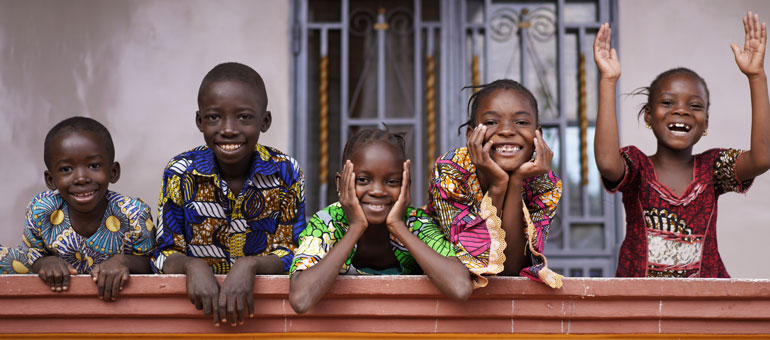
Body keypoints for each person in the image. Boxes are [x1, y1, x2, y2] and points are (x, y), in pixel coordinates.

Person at [593, 12, 770, 277]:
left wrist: (756, 76)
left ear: (706, 122)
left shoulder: (713, 168)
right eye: (667, 102)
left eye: (695, 106)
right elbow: (607, 162)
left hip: (704, 306)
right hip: (642, 306)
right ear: (649, 116)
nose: (681, 111)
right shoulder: (637, 166)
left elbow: (762, 158)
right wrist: (608, 82)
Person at [152, 62, 306, 326]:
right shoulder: (179, 173)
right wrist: (192, 266)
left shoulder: (285, 171)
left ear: (264, 121)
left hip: (267, 318)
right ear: (200, 121)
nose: (228, 129)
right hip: (194, 318)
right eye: (214, 117)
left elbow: (293, 252)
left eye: (244, 117)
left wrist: (249, 265)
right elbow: (162, 254)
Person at [289, 128, 472, 314]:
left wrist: (398, 226)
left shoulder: (415, 222)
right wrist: (355, 227)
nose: (377, 190)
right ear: (340, 183)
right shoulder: (328, 222)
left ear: (406, 184)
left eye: (392, 182)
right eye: (363, 180)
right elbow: (301, 299)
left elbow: (460, 287)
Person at [426, 79, 563, 289]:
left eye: (521, 122)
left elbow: (511, 268)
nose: (507, 131)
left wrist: (515, 182)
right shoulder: (451, 170)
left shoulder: (545, 184)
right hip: (446, 278)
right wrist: (499, 184)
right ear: (471, 135)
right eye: (491, 122)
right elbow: (475, 258)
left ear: (539, 135)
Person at [0, 116, 155, 301]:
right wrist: (44, 262)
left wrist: (124, 262)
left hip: (114, 300)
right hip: (59, 295)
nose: (81, 178)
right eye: (66, 169)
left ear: (113, 172)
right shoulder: (41, 209)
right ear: (51, 180)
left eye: (94, 165)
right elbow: (31, 255)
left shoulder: (134, 213)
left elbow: (153, 263)